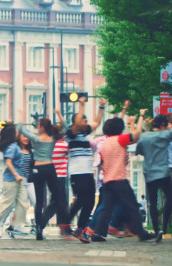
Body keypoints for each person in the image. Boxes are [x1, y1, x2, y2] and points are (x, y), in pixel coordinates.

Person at [90, 114, 154, 242]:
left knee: (106, 208)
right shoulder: (120, 139)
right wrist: (139, 117)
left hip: (107, 180)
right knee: (132, 206)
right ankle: (141, 232)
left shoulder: (104, 144)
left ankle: (98, 233)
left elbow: (101, 164)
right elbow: (136, 136)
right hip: (119, 179)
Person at [135, 103, 172, 242]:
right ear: (163, 125)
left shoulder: (144, 137)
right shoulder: (165, 135)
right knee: (171, 198)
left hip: (149, 174)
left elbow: (138, 151)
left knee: (152, 202)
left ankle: (157, 230)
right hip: (163, 172)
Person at [19, 117, 69, 240]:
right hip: (50, 168)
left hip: (37, 170)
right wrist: (59, 115)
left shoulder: (36, 139)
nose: (37, 127)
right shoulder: (53, 139)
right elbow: (67, 129)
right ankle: (42, 223)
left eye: (38, 126)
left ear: (41, 128)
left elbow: (20, 129)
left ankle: (38, 228)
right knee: (57, 197)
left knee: (39, 201)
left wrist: (21, 116)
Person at [65, 98, 106, 239]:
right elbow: (77, 123)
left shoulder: (85, 133)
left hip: (88, 172)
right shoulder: (71, 133)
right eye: (83, 120)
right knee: (82, 199)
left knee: (89, 201)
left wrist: (101, 107)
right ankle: (67, 222)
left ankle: (80, 229)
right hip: (77, 172)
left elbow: (96, 123)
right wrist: (81, 105)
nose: (86, 123)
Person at [0, 124, 30, 238]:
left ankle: (15, 226)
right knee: (7, 203)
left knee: (23, 203)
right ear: (13, 134)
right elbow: (8, 163)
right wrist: (16, 175)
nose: (18, 133)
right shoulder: (12, 147)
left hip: (20, 178)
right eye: (16, 131)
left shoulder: (14, 146)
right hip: (12, 179)